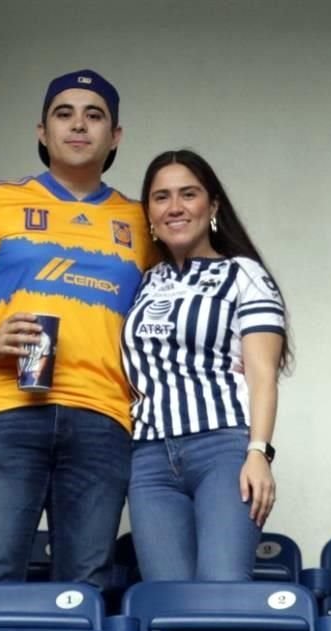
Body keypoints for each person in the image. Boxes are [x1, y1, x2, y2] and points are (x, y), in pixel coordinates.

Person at [0, 69, 155, 587]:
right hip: (8, 411)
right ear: (42, 131)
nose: (78, 126)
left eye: (94, 116)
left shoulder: (141, 221)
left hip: (104, 416)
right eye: (63, 114)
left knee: (83, 590)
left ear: (115, 137)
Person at [120, 149, 292, 581]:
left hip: (222, 451)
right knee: (166, 602)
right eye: (161, 197)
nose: (174, 207)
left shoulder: (244, 275)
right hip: (147, 458)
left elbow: (262, 374)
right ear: (149, 214)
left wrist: (259, 454)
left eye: (188, 194)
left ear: (212, 206)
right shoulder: (141, 281)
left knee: (222, 591)